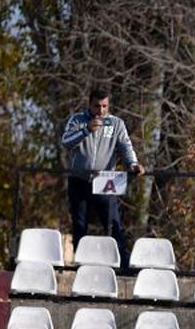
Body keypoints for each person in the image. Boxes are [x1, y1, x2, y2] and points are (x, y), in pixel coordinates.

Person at [61, 88, 145, 269]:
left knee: (113, 223)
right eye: (97, 106)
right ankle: (81, 265)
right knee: (80, 224)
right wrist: (86, 130)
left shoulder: (116, 124)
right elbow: (66, 141)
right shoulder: (77, 120)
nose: (101, 110)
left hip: (104, 179)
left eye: (105, 106)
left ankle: (122, 265)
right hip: (79, 179)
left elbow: (125, 146)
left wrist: (133, 164)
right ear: (89, 104)